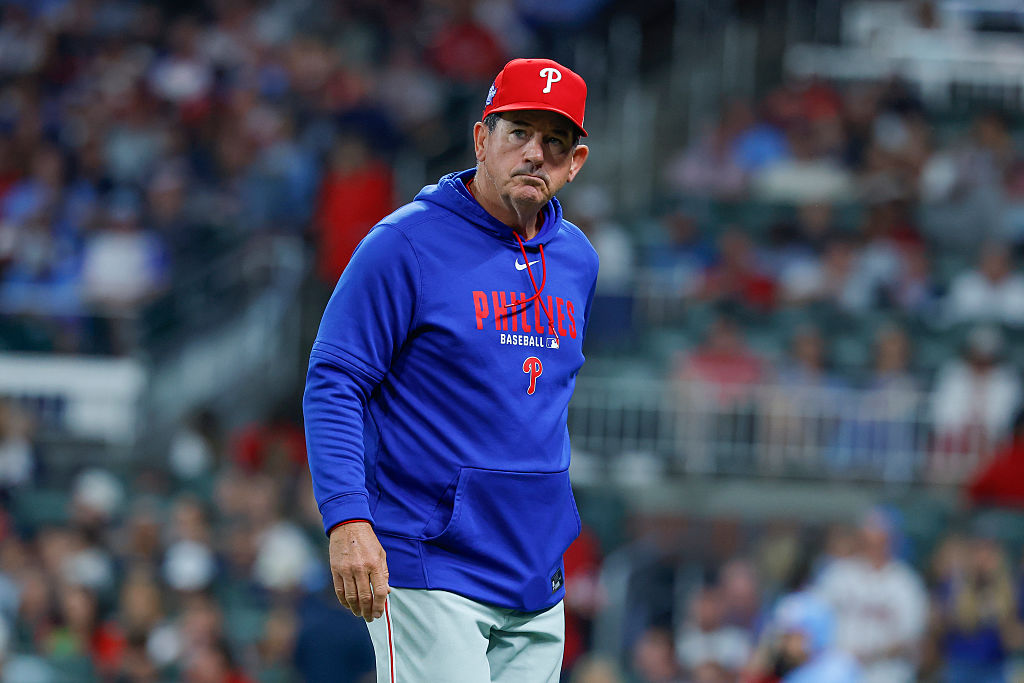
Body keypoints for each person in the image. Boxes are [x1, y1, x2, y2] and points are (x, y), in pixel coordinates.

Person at [303, 58, 595, 682]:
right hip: (427, 561)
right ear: (481, 139)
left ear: (575, 162)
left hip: (534, 570)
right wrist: (347, 518)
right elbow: (335, 382)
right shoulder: (403, 244)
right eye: (519, 132)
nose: (534, 153)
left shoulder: (578, 260)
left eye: (555, 141)